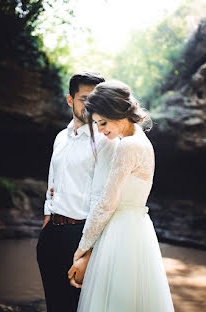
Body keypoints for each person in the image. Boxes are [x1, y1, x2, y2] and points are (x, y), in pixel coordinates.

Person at [68, 81, 175, 312]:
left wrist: (82, 249)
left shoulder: (128, 146)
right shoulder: (139, 141)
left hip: (121, 233)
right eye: (96, 124)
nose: (100, 129)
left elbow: (107, 203)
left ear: (117, 112)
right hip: (135, 229)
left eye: (103, 122)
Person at [36, 72, 119, 312]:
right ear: (70, 100)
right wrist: (45, 229)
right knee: (54, 305)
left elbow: (102, 200)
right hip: (51, 234)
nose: (92, 105)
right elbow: (52, 185)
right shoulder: (60, 137)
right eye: (84, 98)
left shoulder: (106, 141)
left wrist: (87, 254)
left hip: (80, 237)